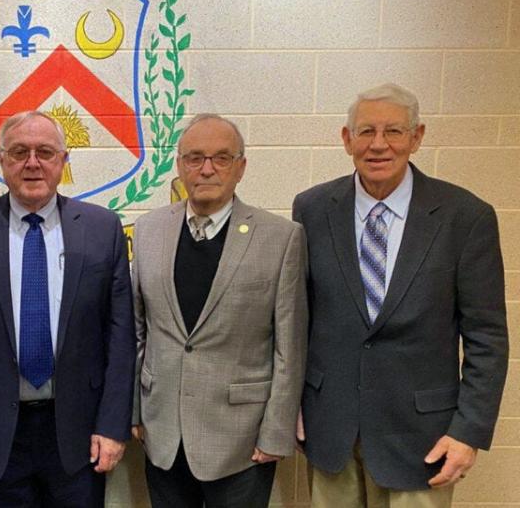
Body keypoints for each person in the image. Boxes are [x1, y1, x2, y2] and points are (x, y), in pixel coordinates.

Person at [293, 83, 509, 507]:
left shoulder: (465, 217)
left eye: (393, 132)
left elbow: (488, 339)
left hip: (423, 441)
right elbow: (298, 318)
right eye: (366, 131)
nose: (378, 145)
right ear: (346, 139)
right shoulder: (313, 209)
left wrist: (468, 432)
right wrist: (290, 406)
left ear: (417, 137)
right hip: (330, 430)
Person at [0, 111, 135, 507]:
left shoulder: (102, 227)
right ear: (1, 160)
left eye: (45, 152)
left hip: (78, 430)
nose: (32, 162)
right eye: (19, 152)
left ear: (64, 161)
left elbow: (120, 335)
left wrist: (112, 425)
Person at [131, 114, 307, 507]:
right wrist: (135, 411)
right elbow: (139, 330)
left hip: (241, 442)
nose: (206, 169)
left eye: (221, 158)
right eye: (194, 157)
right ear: (179, 165)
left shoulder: (280, 238)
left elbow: (288, 346)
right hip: (163, 435)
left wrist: (277, 431)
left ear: (241, 167)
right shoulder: (148, 230)